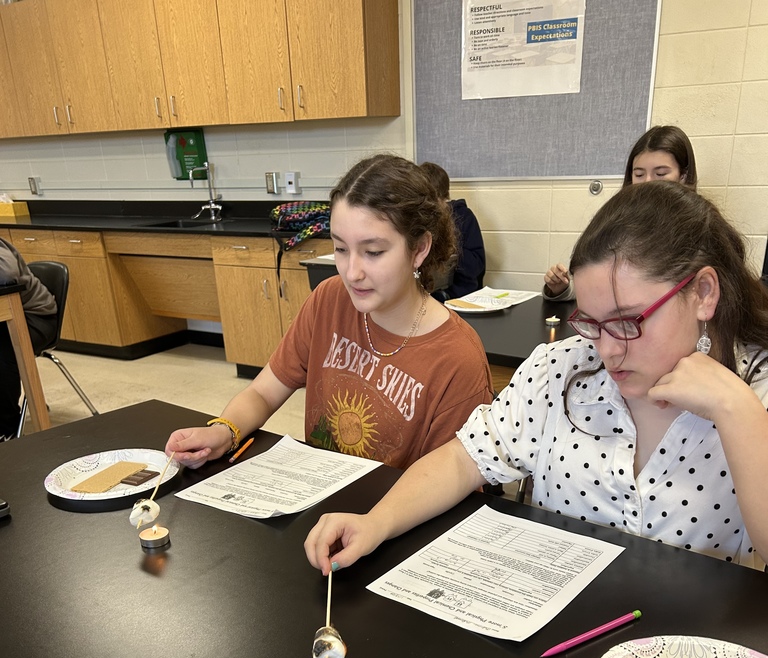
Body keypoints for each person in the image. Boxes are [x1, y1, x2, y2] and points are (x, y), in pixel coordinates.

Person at [305, 181, 768, 576]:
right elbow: (464, 460)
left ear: (703, 293)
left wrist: (738, 412)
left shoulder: (756, 387)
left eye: (628, 321)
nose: (607, 349)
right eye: (592, 322)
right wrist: (377, 522)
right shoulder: (562, 368)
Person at [165, 154, 493, 471]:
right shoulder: (329, 299)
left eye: (373, 252)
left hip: (394, 520)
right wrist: (225, 431)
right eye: (340, 248)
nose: (352, 272)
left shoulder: (458, 358)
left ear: (419, 249)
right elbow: (264, 392)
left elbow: (448, 481)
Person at [544, 125, 697, 301]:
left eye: (660, 173)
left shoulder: (696, 228)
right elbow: (601, 292)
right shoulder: (619, 220)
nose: (647, 183)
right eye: (639, 174)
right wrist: (562, 289)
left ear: (683, 176)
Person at [0, 238, 57, 440]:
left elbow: (7, 275)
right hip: (6, 319)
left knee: (3, 347)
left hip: (36, 318)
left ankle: (7, 427)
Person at [420, 161, 486, 299]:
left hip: (458, 293)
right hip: (424, 292)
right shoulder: (418, 218)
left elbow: (477, 265)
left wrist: (451, 245)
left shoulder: (463, 217)